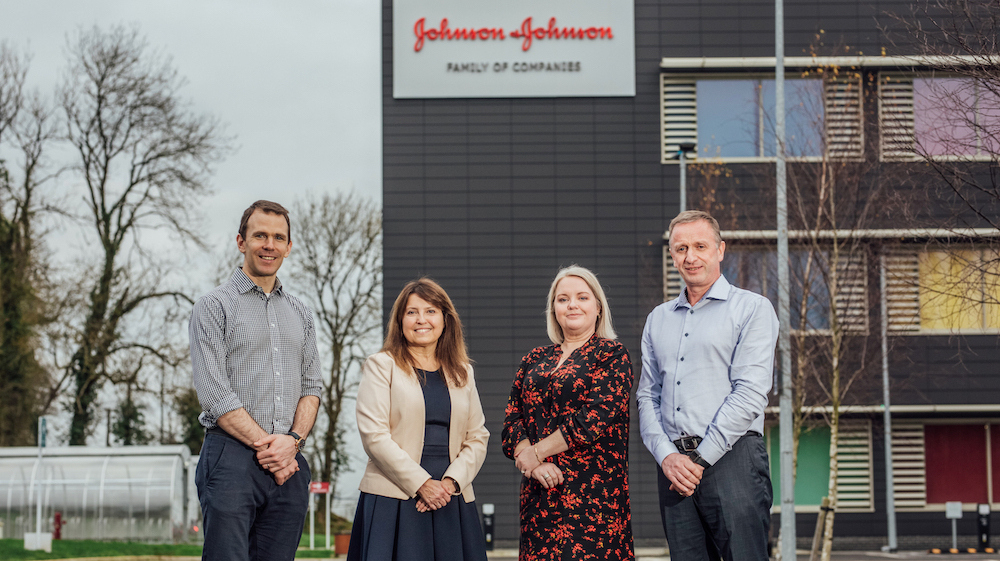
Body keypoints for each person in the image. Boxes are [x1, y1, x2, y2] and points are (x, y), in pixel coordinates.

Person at [636, 210, 779, 561]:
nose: (690, 256)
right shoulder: (658, 319)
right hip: (674, 468)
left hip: (734, 460)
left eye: (700, 245)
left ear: (720, 250)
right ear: (672, 255)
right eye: (681, 248)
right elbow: (646, 395)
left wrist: (699, 459)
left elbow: (749, 394)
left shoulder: (752, 309)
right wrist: (666, 455)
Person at [189, 200, 322, 561]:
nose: (269, 245)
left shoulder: (301, 313)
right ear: (240, 241)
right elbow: (215, 395)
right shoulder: (214, 306)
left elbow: (312, 388)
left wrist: (292, 442)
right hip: (231, 457)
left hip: (290, 462)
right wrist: (273, 448)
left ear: (289, 247)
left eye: (279, 237)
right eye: (260, 235)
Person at [347, 278, 489, 561]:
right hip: (394, 498)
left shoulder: (463, 372)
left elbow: (478, 436)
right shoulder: (381, 365)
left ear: (445, 319)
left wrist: (448, 484)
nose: (421, 319)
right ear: (400, 321)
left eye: (431, 311)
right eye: (412, 312)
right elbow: (374, 436)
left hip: (452, 498)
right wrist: (422, 484)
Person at [502, 265, 634, 561]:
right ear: (554, 309)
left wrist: (536, 453)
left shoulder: (611, 355)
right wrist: (533, 464)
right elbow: (512, 421)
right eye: (563, 299)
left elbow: (592, 419)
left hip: (593, 502)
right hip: (540, 498)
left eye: (582, 297)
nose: (572, 304)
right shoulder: (534, 358)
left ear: (598, 307)